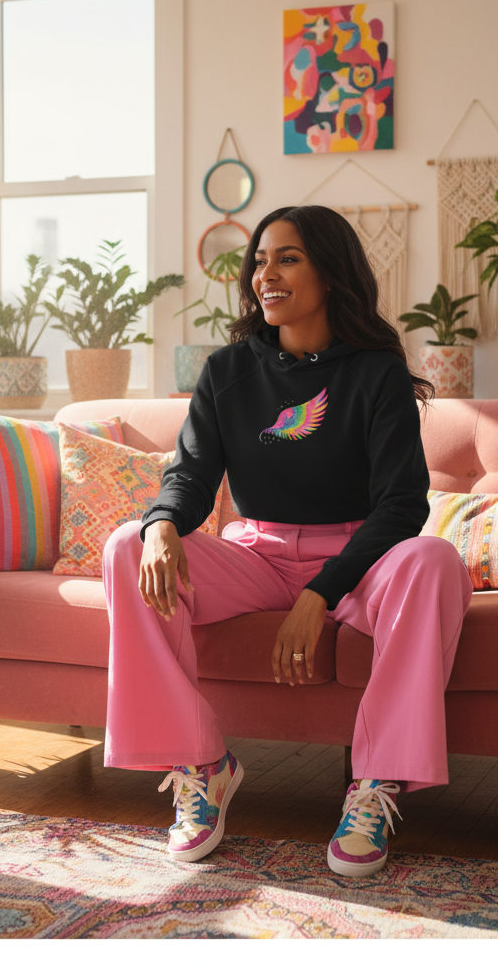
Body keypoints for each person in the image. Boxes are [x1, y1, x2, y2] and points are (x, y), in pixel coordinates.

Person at [101, 204, 473, 878]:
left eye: (288, 258)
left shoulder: (376, 372)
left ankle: (375, 784)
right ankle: (203, 766)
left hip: (358, 560)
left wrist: (319, 594)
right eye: (260, 262)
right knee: (127, 546)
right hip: (254, 552)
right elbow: (188, 477)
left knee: (434, 558)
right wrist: (159, 525)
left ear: (331, 273)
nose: (264, 275)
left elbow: (402, 506)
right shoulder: (227, 372)